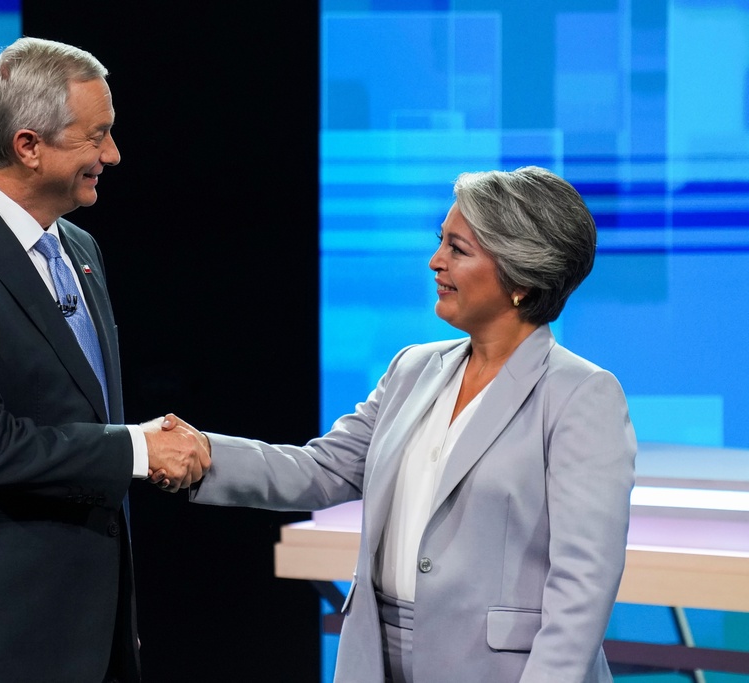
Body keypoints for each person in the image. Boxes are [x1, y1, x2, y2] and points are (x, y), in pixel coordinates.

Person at [157, 167, 637, 682]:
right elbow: (324, 469)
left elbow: (583, 584)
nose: (436, 262)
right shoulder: (412, 369)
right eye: (441, 243)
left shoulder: (580, 394)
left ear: (520, 278)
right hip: (377, 660)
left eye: (458, 249)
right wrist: (206, 453)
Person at [0, 37, 209, 683]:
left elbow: (74, 409)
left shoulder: (78, 247)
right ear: (28, 145)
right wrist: (136, 449)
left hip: (82, 624)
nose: (112, 154)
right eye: (96, 136)